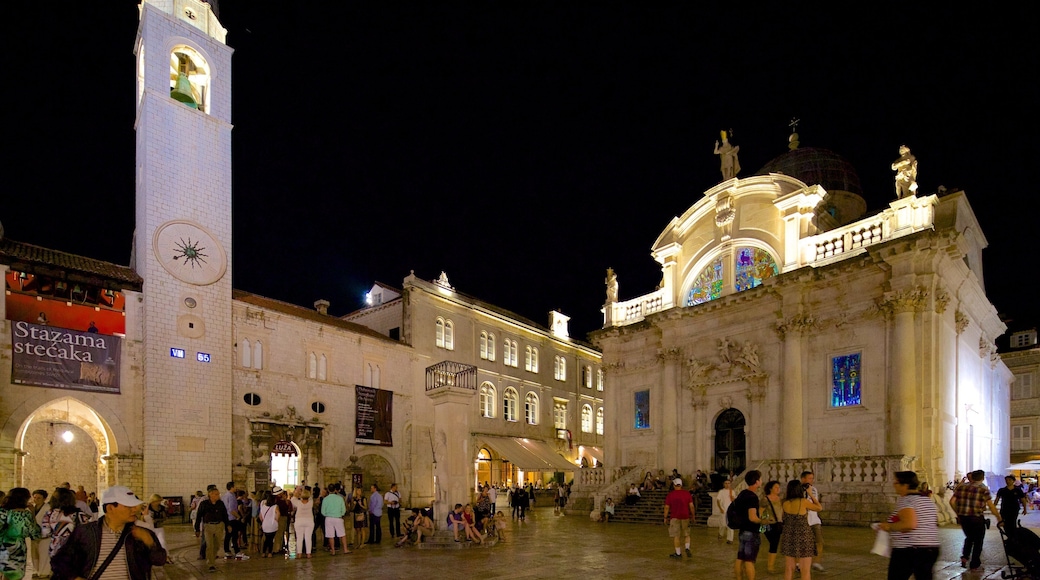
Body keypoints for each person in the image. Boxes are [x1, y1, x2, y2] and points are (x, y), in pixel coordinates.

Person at [50, 485, 166, 580]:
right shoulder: (86, 532)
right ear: (110, 508)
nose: (134, 509)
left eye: (134, 506)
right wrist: (75, 578)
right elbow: (59, 562)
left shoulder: (142, 533)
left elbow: (159, 560)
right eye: (128, 506)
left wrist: (150, 543)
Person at [874, 471, 940, 580]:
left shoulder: (906, 500)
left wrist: (889, 526)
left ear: (905, 485)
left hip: (910, 550)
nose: (893, 485)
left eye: (896, 482)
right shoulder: (926, 500)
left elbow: (910, 524)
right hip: (930, 548)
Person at [950, 469, 1002, 572]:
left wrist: (958, 514)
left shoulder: (962, 487)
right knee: (978, 540)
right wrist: (998, 517)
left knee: (969, 537)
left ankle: (965, 557)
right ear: (982, 478)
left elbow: (951, 501)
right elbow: (991, 506)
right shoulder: (983, 489)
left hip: (964, 518)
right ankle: (974, 564)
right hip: (976, 518)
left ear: (972, 477)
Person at [780, 479, 822, 580]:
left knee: (789, 568)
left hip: (789, 536)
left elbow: (783, 518)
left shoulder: (784, 503)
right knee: (805, 569)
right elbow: (819, 507)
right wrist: (811, 494)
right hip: (803, 536)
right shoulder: (803, 502)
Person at [0, 487, 43, 580]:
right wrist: (32, 513)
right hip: (17, 551)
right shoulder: (25, 515)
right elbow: (36, 533)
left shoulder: (2, 512)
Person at [733, 470, 765, 580]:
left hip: (742, 530)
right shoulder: (752, 497)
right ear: (756, 481)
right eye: (760, 479)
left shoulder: (742, 494)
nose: (761, 481)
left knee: (740, 558)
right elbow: (752, 517)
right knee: (749, 560)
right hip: (751, 531)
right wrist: (763, 521)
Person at [800, 470, 825, 572]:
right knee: (802, 543)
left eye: (812, 478)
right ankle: (799, 563)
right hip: (803, 520)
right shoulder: (797, 490)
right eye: (809, 478)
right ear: (803, 479)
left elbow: (816, 504)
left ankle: (816, 562)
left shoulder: (814, 489)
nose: (811, 480)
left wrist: (810, 493)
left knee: (819, 542)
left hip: (814, 519)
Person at [663, 479, 694, 559]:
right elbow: (691, 506)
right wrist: (693, 516)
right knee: (687, 534)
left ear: (674, 485)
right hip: (686, 516)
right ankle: (687, 547)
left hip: (675, 517)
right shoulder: (687, 494)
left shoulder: (670, 495)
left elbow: (666, 507)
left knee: (676, 536)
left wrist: (665, 517)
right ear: (681, 485)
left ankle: (678, 553)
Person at [760, 480, 784, 574]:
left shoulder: (779, 499)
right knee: (772, 543)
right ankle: (770, 566)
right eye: (776, 487)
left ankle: (771, 566)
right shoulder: (765, 499)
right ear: (770, 489)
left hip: (777, 524)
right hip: (768, 524)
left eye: (779, 487)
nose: (778, 489)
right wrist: (763, 520)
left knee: (774, 544)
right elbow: (761, 511)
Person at [320, 483, 349, 555]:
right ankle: (345, 549)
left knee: (331, 535)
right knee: (342, 534)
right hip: (338, 518)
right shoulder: (340, 498)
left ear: (328, 490)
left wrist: (328, 515)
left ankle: (333, 550)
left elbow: (323, 511)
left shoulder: (325, 499)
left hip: (329, 518)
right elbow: (344, 509)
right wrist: (341, 514)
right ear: (335, 490)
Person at [291, 488, 315, 558]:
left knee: (299, 538)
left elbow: (293, 498)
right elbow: (310, 497)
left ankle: (299, 553)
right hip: (309, 521)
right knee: (308, 537)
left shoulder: (298, 503)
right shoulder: (311, 502)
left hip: (299, 521)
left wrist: (298, 491)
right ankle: (308, 553)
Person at [258, 489, 280, 558]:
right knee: (271, 539)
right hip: (272, 524)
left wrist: (263, 522)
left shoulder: (263, 506)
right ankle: (270, 552)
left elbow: (260, 516)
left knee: (266, 539)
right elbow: (278, 513)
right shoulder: (275, 506)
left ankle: (264, 552)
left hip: (265, 525)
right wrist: (276, 520)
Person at [717, 478, 736, 543]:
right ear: (724, 484)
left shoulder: (732, 491)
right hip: (723, 510)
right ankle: (720, 534)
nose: (727, 485)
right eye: (726, 483)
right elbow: (718, 501)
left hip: (730, 511)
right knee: (723, 524)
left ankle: (730, 539)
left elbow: (734, 501)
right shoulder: (721, 492)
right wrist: (720, 508)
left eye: (728, 483)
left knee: (730, 525)